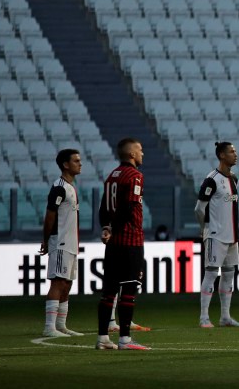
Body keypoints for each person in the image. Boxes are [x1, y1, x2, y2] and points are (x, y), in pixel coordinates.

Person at [96, 138, 149, 350]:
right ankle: (125, 339)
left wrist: (106, 228)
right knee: (129, 289)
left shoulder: (112, 176)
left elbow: (103, 207)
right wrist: (116, 227)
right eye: (140, 149)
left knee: (109, 291)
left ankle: (102, 339)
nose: (143, 154)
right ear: (131, 155)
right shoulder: (135, 176)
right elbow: (128, 208)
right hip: (130, 240)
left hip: (113, 244)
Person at [196, 141, 239, 328]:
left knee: (228, 274)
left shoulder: (234, 179)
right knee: (210, 274)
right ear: (222, 155)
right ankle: (204, 317)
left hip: (232, 236)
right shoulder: (211, 180)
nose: (235, 154)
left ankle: (225, 316)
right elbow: (199, 208)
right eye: (232, 151)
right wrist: (205, 228)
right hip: (215, 235)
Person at [40, 148, 83, 337]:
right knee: (57, 283)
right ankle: (49, 327)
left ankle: (61, 325)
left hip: (71, 243)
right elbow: (50, 215)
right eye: (76, 161)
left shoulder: (70, 187)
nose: (80, 164)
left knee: (67, 284)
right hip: (61, 242)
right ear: (65, 164)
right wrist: (46, 239)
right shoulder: (59, 187)